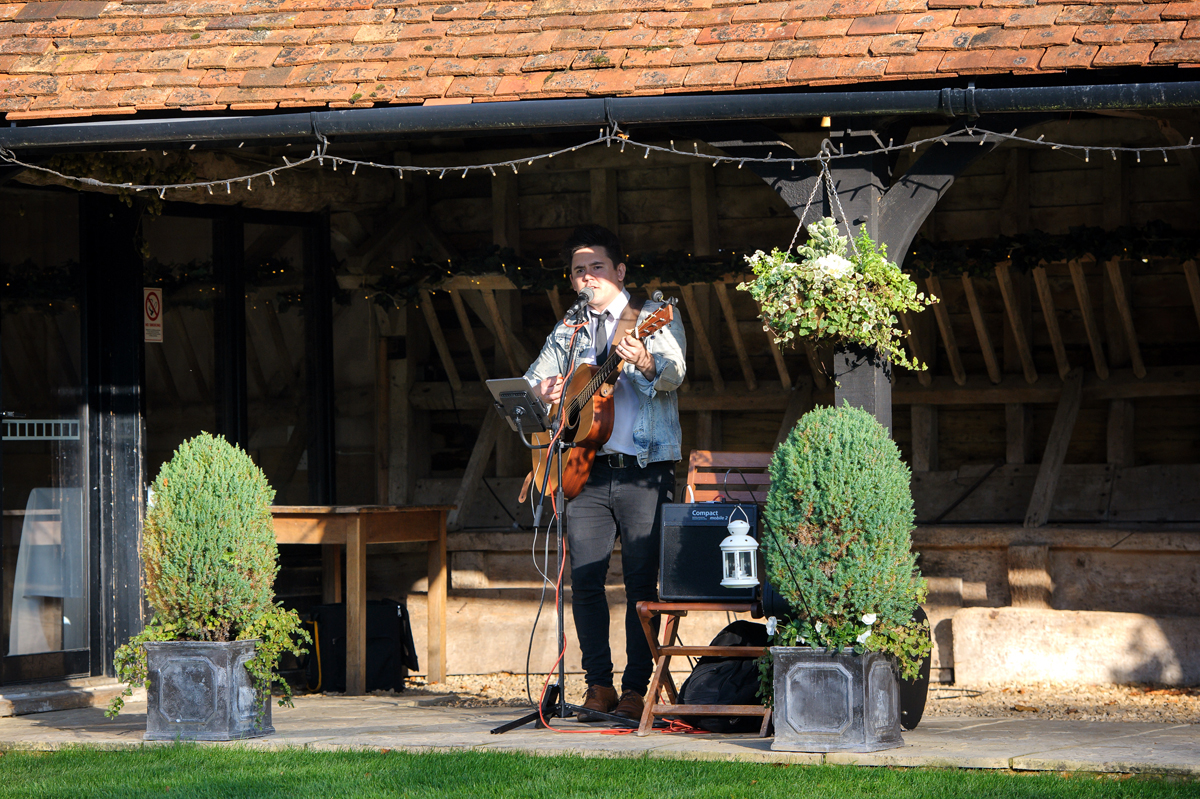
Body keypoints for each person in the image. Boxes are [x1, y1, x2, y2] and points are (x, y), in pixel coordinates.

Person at [525, 224, 687, 722]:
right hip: (585, 471)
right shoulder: (568, 329)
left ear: (619, 271)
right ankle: (599, 686)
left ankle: (639, 688)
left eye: (597, 267)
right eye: (579, 271)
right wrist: (547, 391)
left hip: (644, 469)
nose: (587, 277)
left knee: (642, 584)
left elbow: (675, 373)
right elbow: (532, 381)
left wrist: (642, 362)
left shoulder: (654, 317)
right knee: (586, 580)